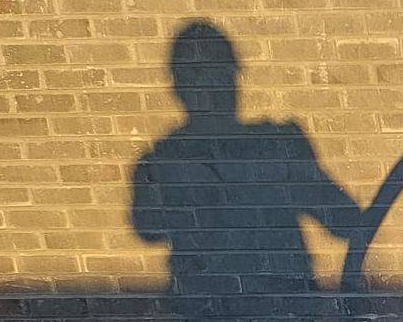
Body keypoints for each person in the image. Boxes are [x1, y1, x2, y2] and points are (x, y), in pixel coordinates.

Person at [130, 20, 361, 297]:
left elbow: (344, 220)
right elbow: (148, 227)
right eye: (198, 76)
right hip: (220, 318)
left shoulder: (275, 145)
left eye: (217, 75)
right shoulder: (164, 162)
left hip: (277, 314)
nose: (210, 90)